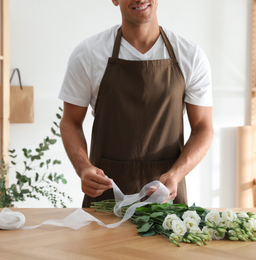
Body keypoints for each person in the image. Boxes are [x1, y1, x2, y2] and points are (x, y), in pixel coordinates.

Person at [59, 0, 214, 208]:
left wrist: (176, 175)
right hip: (105, 195)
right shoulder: (88, 54)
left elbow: (203, 128)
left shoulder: (191, 56)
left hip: (166, 198)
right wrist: (83, 168)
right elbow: (70, 121)